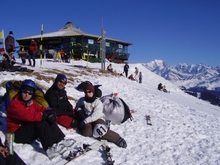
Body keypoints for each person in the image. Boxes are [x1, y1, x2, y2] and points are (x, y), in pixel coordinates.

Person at [6, 79, 75, 159]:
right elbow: (28, 116)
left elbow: (40, 109)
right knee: (40, 122)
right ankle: (50, 148)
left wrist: (50, 112)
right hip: (17, 133)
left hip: (26, 127)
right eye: (25, 92)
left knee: (48, 118)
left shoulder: (30, 102)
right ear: (20, 91)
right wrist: (44, 115)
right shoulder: (15, 104)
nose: (27, 95)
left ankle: (60, 140)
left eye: (30, 93)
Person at [75, 82, 127, 148]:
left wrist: (84, 121)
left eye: (89, 92)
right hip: (87, 118)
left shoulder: (98, 102)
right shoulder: (82, 100)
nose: (88, 94)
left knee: (99, 130)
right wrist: (79, 111)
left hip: (97, 118)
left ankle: (117, 138)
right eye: (86, 92)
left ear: (93, 92)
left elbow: (95, 115)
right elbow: (78, 106)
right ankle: (96, 130)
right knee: (86, 133)